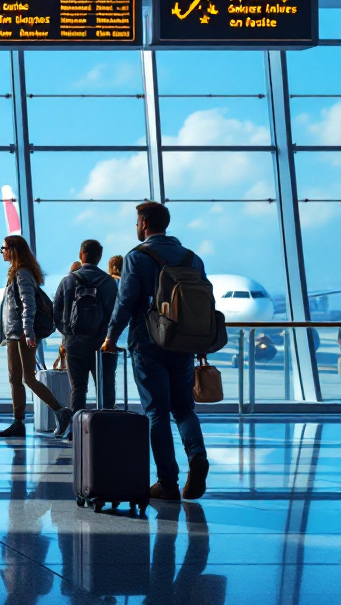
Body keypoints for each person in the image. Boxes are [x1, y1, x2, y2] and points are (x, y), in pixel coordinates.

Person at [101, 201, 210, 503]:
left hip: (148, 343)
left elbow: (125, 302)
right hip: (184, 344)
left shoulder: (137, 257)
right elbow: (203, 305)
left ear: (145, 223)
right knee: (184, 408)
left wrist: (111, 337)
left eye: (137, 222)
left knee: (156, 413)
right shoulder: (192, 258)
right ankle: (197, 456)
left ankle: (168, 483)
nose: (135, 227)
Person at [0, 235, 71, 440]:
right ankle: (19, 421)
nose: (2, 252)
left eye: (4, 248)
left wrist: (28, 332)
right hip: (16, 333)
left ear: (13, 250)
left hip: (20, 333)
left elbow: (29, 305)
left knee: (26, 377)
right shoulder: (20, 273)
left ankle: (60, 411)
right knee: (16, 378)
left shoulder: (22, 274)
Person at [51, 240, 119, 437]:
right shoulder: (108, 282)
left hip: (75, 344)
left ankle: (77, 429)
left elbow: (56, 311)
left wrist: (67, 334)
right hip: (102, 344)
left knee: (78, 389)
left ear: (81, 254)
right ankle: (106, 429)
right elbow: (116, 313)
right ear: (99, 256)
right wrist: (109, 336)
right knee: (105, 388)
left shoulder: (68, 281)